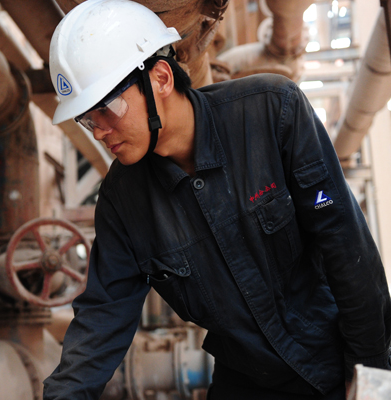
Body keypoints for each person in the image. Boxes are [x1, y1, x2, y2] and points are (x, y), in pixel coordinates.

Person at [43, 0, 391, 399]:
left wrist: (370, 371)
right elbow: (102, 317)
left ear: (161, 78)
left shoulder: (272, 112)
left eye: (107, 108)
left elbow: (344, 245)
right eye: (88, 118)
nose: (99, 131)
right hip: (249, 381)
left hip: (338, 357)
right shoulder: (123, 201)